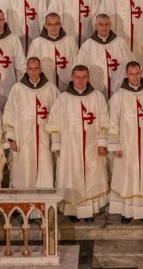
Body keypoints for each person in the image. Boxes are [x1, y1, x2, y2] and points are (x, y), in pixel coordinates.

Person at [47, 65, 110, 221]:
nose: (80, 81)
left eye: (83, 77)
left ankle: (89, 212)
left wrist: (102, 142)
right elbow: (54, 123)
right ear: (72, 77)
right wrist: (57, 144)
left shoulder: (97, 97)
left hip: (92, 147)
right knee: (71, 177)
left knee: (91, 177)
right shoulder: (63, 98)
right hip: (70, 148)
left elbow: (105, 122)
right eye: (77, 77)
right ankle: (72, 211)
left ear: (88, 78)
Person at [107, 61, 143, 223]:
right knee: (126, 178)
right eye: (131, 74)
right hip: (125, 147)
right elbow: (112, 123)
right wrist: (115, 145)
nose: (135, 77)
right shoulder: (118, 96)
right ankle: (126, 212)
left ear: (141, 73)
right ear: (126, 74)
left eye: (137, 73)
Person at [3, 56, 59, 189]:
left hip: (45, 140)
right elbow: (9, 115)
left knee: (45, 171)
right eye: (30, 69)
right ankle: (23, 199)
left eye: (36, 69)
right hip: (23, 141)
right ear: (26, 70)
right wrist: (12, 138)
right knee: (24, 173)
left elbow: (59, 116)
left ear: (41, 69)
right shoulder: (17, 89)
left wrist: (57, 141)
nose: (33, 72)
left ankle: (45, 199)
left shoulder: (51, 89)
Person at [75, 14, 133, 100]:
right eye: (101, 24)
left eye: (107, 24)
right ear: (95, 26)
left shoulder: (121, 44)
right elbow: (78, 71)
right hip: (95, 93)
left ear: (110, 25)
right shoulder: (87, 46)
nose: (104, 28)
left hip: (119, 92)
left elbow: (132, 67)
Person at [27, 13, 78, 91]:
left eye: (56, 24)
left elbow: (76, 64)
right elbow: (30, 67)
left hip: (67, 87)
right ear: (45, 25)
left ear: (60, 25)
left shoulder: (70, 41)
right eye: (50, 24)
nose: (53, 28)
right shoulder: (37, 43)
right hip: (45, 88)